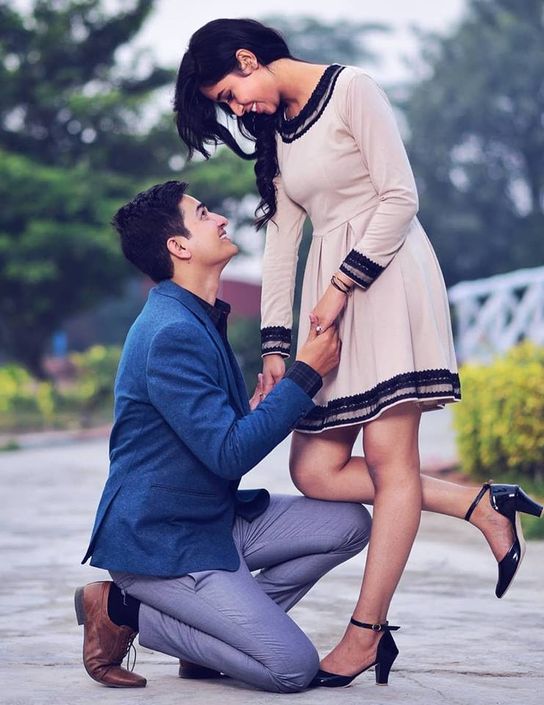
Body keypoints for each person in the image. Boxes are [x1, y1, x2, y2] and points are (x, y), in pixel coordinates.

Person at [173, 18, 544, 687]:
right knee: (314, 469)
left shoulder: (353, 89)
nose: (238, 109)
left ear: (249, 59)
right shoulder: (277, 131)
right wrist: (277, 348)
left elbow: (401, 197)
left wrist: (343, 284)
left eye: (230, 94)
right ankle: (479, 504)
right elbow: (282, 242)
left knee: (387, 459)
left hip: (386, 278)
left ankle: (366, 633)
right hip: (330, 302)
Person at [76, 180, 373, 693]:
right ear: (179, 246)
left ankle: (210, 642)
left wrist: (257, 409)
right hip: (163, 543)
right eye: (203, 214)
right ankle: (124, 609)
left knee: (348, 523)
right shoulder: (172, 331)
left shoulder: (196, 317)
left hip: (211, 521)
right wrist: (305, 375)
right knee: (291, 668)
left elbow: (211, 434)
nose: (219, 219)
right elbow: (229, 453)